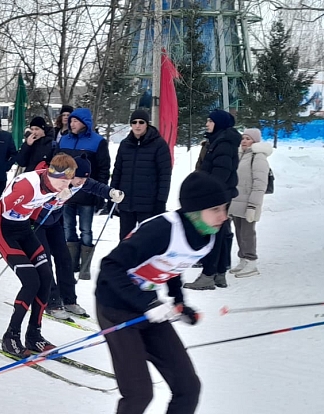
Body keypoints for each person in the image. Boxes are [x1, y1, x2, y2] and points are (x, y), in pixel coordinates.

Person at [96, 171, 227, 414]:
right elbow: (110, 266)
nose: (223, 216)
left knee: (188, 388)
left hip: (148, 307)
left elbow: (174, 263)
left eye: (224, 208)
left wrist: (179, 302)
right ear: (195, 210)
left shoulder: (207, 236)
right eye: (216, 209)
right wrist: (147, 303)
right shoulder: (161, 230)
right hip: (114, 306)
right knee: (139, 394)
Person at [0, 154, 77, 357]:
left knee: (45, 277)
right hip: (3, 229)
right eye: (62, 181)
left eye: (68, 181)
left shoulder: (55, 186)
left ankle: (34, 335)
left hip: (24, 229)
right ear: (51, 174)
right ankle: (11, 336)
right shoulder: (28, 186)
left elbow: (38, 205)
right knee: (31, 282)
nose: (65, 186)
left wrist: (36, 219)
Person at [34, 155, 123, 320]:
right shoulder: (54, 180)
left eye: (84, 177)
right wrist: (54, 199)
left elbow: (95, 186)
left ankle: (69, 300)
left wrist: (111, 192)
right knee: (44, 262)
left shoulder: (81, 182)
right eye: (78, 177)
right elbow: (35, 199)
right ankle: (51, 302)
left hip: (54, 223)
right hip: (37, 223)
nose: (81, 181)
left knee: (64, 259)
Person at [185, 109, 240, 291]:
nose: (207, 123)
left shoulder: (223, 143)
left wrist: (207, 191)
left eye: (210, 121)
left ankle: (208, 274)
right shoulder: (219, 141)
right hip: (220, 195)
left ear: (219, 123)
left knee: (211, 234)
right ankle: (219, 274)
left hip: (217, 197)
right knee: (221, 234)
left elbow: (220, 173)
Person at [58, 107, 111, 281]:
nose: (71, 123)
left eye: (75, 121)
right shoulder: (64, 140)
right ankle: (72, 263)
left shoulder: (98, 142)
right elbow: (57, 165)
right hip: (66, 193)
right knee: (68, 228)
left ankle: (85, 266)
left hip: (88, 193)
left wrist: (100, 193)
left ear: (84, 123)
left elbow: (103, 169)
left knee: (86, 230)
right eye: (70, 120)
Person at [110, 109, 172, 239]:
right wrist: (111, 194)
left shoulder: (159, 145)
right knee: (125, 242)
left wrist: (161, 200)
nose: (137, 125)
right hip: (127, 203)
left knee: (147, 241)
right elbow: (118, 171)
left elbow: (164, 176)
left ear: (147, 124)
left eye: (141, 122)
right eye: (134, 122)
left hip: (148, 204)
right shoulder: (125, 145)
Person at [228, 128, 272, 278]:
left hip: (249, 203)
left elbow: (260, 184)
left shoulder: (258, 157)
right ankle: (243, 260)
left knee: (248, 233)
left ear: (255, 141)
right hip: (237, 201)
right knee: (239, 232)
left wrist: (253, 206)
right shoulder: (241, 155)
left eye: (248, 138)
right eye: (243, 138)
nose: (244, 141)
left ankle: (251, 261)